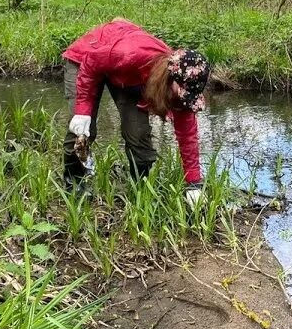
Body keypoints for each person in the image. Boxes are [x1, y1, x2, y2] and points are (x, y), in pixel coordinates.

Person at [60, 18, 211, 205]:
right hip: (87, 59)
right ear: (169, 76)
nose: (182, 99)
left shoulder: (182, 91)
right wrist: (83, 111)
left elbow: (188, 135)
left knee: (138, 136)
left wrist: (194, 183)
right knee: (82, 131)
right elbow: (92, 61)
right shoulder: (132, 54)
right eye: (181, 93)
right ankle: (74, 188)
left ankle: (138, 192)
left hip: (126, 75)